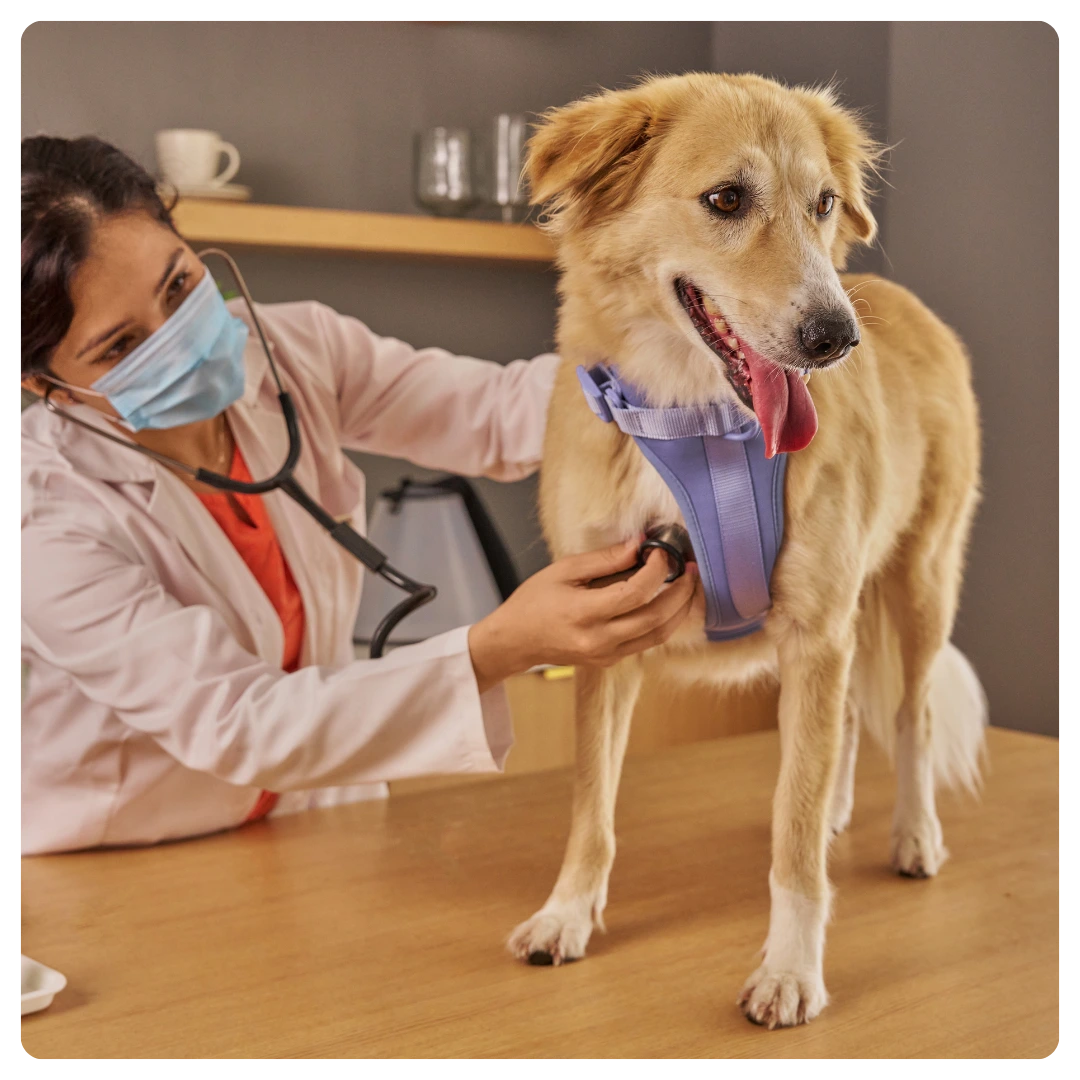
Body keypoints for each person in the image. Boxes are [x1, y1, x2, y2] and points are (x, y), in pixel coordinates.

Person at [17, 136, 697, 855]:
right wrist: (498, 647)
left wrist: (681, 366)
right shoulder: (44, 522)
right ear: (45, 385)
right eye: (121, 347)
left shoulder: (291, 350)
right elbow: (241, 721)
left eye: (178, 286)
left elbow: (499, 409)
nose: (175, 338)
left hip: (315, 827)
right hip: (119, 861)